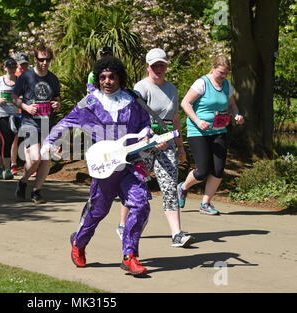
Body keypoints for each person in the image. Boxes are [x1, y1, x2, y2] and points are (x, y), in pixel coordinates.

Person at [41, 56, 165, 275]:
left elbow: (146, 125)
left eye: (111, 77)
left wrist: (152, 137)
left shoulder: (134, 100)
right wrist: (50, 143)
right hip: (105, 167)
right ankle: (79, 243)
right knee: (97, 211)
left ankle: (130, 255)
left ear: (120, 77)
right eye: (102, 77)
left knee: (141, 204)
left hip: (131, 165)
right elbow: (66, 123)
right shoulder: (90, 103)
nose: (107, 81)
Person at [116, 48, 194, 247]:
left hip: (167, 142)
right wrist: (151, 137)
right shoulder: (141, 88)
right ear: (147, 67)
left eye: (162, 65)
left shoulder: (172, 89)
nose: (159, 69)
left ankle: (176, 234)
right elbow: (136, 118)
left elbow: (174, 118)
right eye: (155, 65)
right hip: (144, 144)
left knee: (169, 186)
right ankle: (124, 225)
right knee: (136, 185)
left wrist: (180, 146)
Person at [178, 55, 244, 215]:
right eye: (220, 72)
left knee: (218, 169)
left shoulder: (227, 85)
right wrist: (198, 120)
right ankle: (183, 187)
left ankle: (205, 204)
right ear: (213, 69)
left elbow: (232, 104)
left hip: (219, 131)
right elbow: (185, 103)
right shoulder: (202, 83)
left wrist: (237, 115)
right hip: (198, 132)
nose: (223, 76)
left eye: (226, 73)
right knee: (202, 171)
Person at [11, 43, 61, 204]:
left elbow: (57, 97)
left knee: (45, 158)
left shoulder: (53, 78)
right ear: (35, 59)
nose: (44, 63)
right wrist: (25, 106)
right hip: (29, 123)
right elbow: (14, 97)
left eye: (47, 59)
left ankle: (36, 191)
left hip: (48, 124)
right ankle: (23, 180)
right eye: (41, 59)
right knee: (34, 158)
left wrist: (56, 104)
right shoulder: (26, 77)